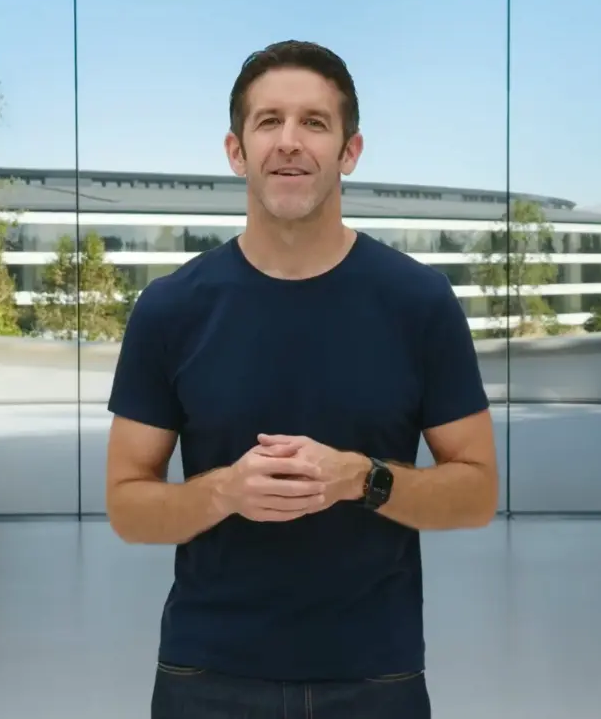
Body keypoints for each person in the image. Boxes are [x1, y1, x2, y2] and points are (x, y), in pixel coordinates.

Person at [104, 39, 499, 719]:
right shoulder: (171, 309)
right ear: (236, 151)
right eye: (269, 122)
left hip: (377, 677)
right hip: (207, 674)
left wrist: (360, 479)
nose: (290, 141)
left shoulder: (419, 303)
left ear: (350, 152)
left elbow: (478, 493)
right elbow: (127, 506)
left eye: (314, 122)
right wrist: (226, 490)